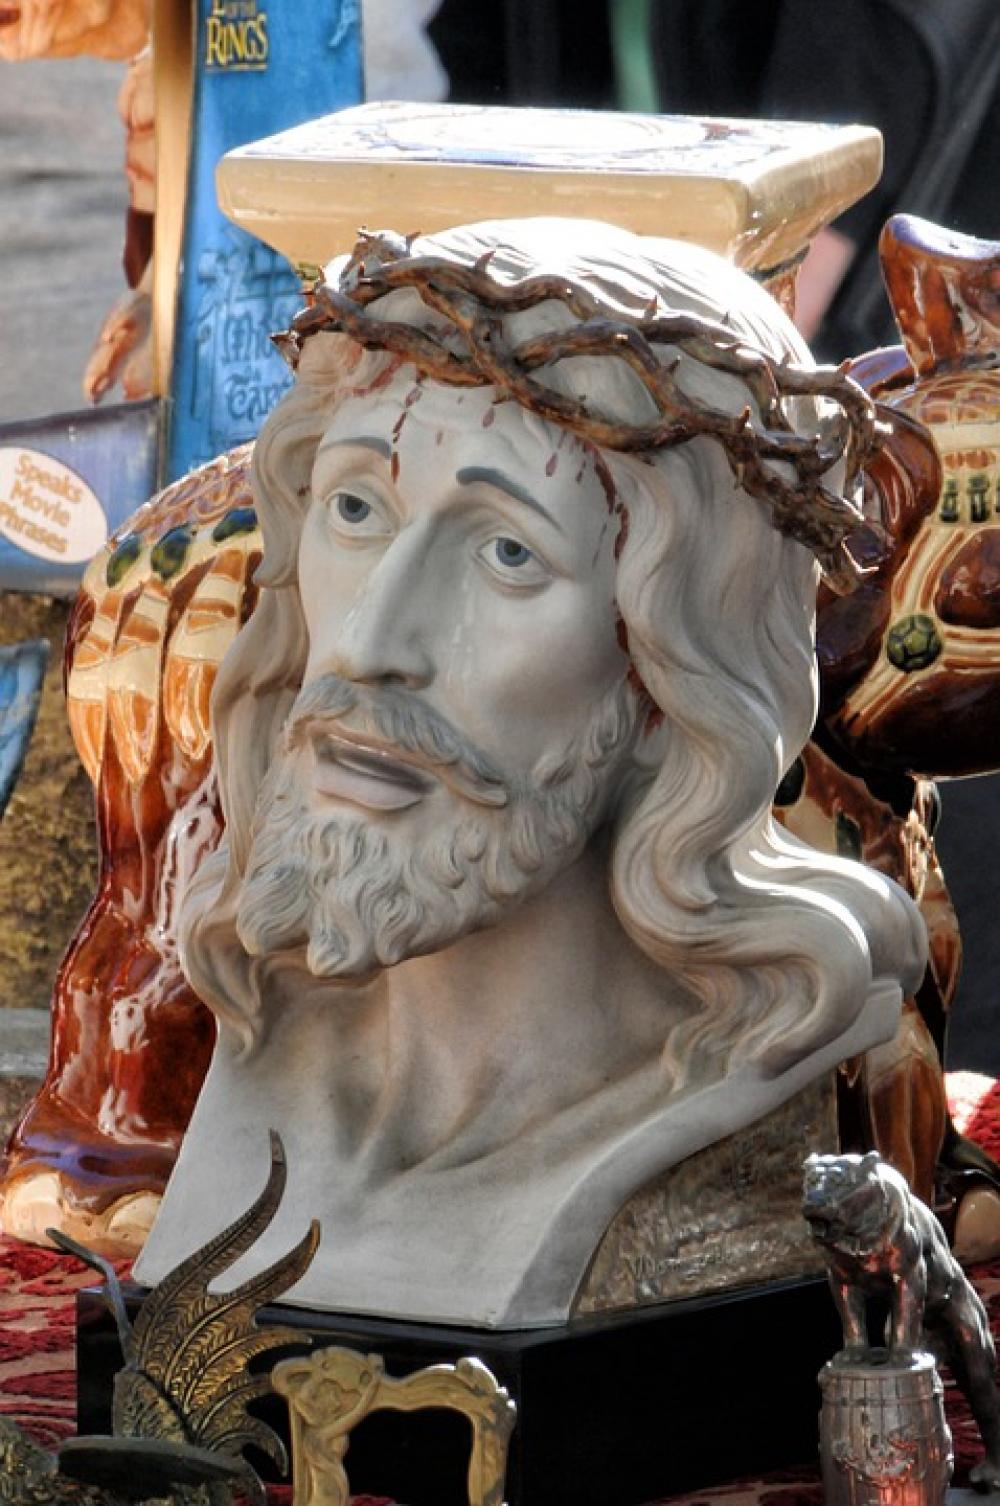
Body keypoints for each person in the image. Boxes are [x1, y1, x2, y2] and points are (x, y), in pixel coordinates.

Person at [134, 218, 924, 1327]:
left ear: (669, 679)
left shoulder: (734, 1094)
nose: (369, 643)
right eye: (356, 509)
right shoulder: (257, 1045)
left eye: (508, 553)